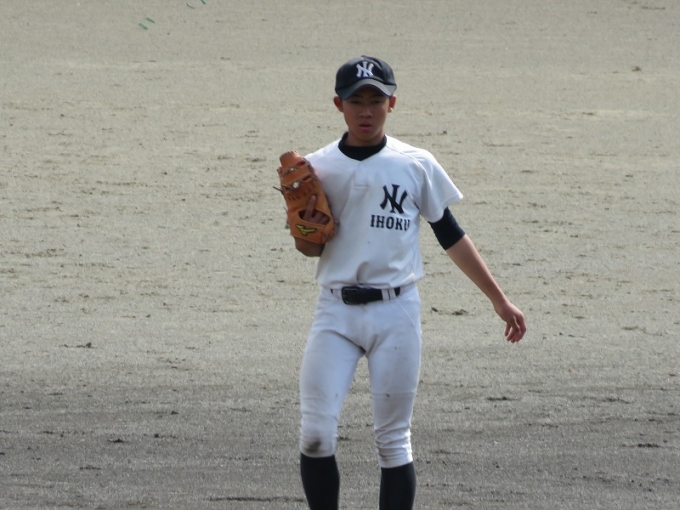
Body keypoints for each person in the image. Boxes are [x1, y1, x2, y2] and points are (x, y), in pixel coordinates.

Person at [288, 55, 526, 510]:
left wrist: (499, 300)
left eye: (376, 100)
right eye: (356, 101)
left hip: (396, 312)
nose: (366, 111)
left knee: (393, 440)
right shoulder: (318, 167)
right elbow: (310, 249)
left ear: (392, 104)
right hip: (334, 312)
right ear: (338, 105)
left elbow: (450, 233)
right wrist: (305, 231)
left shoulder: (415, 164)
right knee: (315, 435)